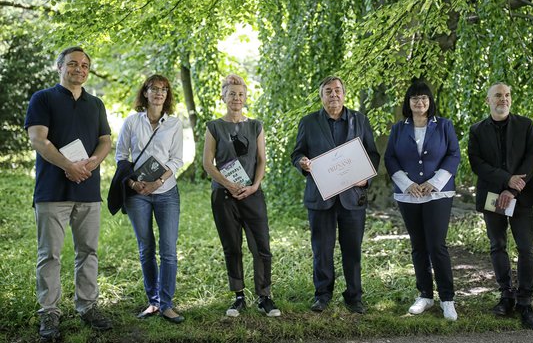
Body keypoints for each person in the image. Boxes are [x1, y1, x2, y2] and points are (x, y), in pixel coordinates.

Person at [24, 46, 113, 341]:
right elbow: (38, 139)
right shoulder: (43, 98)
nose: (80, 69)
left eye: (85, 65)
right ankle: (49, 311)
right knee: (49, 254)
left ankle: (87, 306)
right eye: (73, 64)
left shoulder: (96, 104)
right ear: (59, 67)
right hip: (52, 191)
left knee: (87, 252)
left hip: (88, 191)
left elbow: (105, 141)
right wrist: (68, 166)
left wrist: (91, 163)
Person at [291, 76, 380, 314]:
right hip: (321, 197)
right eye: (328, 91)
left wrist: (366, 178)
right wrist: (302, 162)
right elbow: (297, 153)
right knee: (322, 249)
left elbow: (373, 154)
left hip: (352, 197)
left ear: (344, 93)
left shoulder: (359, 120)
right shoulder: (308, 122)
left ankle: (354, 297)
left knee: (352, 250)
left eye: (337, 90)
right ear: (321, 96)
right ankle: (322, 295)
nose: (333, 95)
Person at [203, 74, 281, 317]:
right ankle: (238, 297)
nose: (236, 98)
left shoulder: (255, 125)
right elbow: (208, 163)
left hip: (252, 194)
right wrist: (227, 184)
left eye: (240, 94)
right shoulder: (214, 126)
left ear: (246, 97)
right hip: (224, 196)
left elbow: (261, 160)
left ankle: (264, 297)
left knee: (262, 247)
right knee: (232, 247)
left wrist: (255, 186)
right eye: (231, 93)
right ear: (223, 96)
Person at [467, 82, 533, 330]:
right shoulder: (477, 130)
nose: (504, 99)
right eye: (498, 95)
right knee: (497, 245)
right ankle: (506, 295)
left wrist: (512, 188)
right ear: (488, 100)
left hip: (520, 195)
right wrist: (504, 180)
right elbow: (477, 163)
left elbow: (531, 159)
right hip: (491, 196)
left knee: (526, 248)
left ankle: (525, 301)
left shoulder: (525, 125)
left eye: (507, 95)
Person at [384, 81, 460, 320]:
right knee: (418, 246)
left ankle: (447, 298)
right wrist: (408, 185)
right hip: (409, 195)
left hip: (438, 194)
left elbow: (453, 154)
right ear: (408, 103)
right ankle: (425, 295)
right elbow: (390, 159)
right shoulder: (398, 128)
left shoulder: (444, 125)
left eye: (424, 98)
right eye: (415, 98)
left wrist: (434, 183)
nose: (420, 102)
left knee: (437, 246)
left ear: (430, 101)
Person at [115, 75, 185, 324]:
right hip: (138, 195)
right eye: (154, 88)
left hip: (166, 193)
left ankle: (167, 304)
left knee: (168, 251)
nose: (159, 93)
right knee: (146, 249)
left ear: (167, 95)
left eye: (164, 89)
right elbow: (122, 156)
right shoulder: (132, 122)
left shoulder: (174, 124)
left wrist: (158, 182)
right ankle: (153, 302)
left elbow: (177, 160)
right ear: (145, 92)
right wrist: (134, 183)